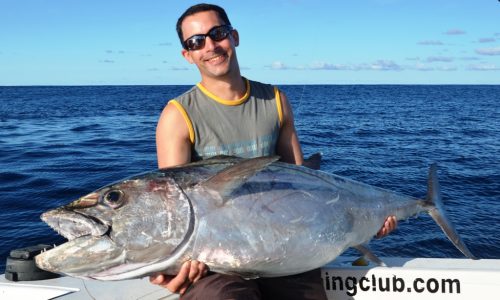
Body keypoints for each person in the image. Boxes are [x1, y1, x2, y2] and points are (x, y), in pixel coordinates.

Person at [152, 3, 397, 299]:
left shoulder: (276, 100)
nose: (210, 46)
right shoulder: (178, 116)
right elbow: (172, 212)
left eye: (217, 33)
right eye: (196, 41)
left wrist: (367, 219)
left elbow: (302, 182)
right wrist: (169, 268)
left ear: (235, 36)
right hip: (216, 263)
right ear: (187, 55)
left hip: (286, 252)